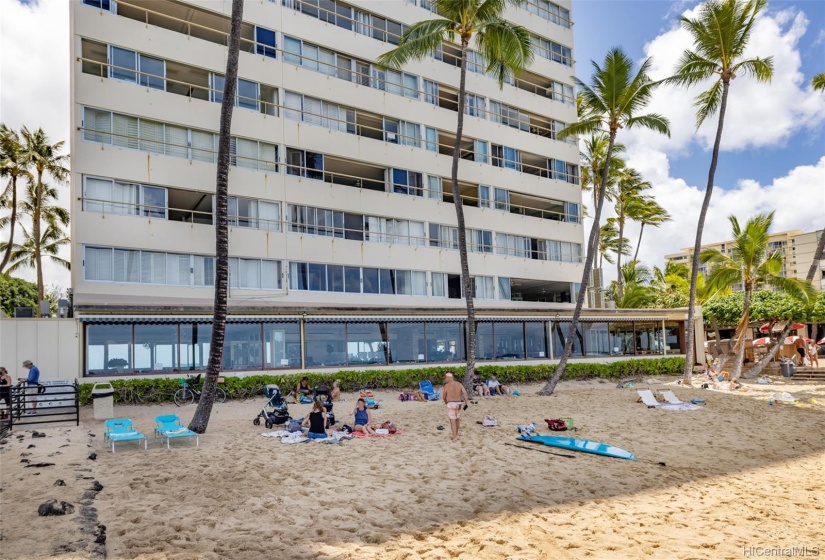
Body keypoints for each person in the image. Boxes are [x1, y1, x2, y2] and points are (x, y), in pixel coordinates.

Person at [441, 372, 469, 442]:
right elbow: (465, 393)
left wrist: (445, 402)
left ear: (450, 378)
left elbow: (444, 396)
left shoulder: (447, 385)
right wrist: (466, 403)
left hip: (451, 404)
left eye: (446, 378)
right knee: (457, 419)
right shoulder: (459, 384)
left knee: (452, 420)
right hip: (459, 403)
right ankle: (456, 434)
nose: (445, 380)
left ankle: (454, 437)